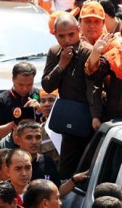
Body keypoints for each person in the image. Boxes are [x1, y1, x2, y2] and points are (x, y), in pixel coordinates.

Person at [41, 13, 97, 179]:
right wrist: (61, 65)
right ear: (55, 35)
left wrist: (95, 117)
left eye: (71, 34)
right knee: (66, 170)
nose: (67, 40)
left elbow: (93, 87)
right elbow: (47, 85)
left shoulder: (88, 52)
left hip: (88, 118)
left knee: (89, 167)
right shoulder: (55, 52)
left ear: (79, 30)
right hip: (68, 120)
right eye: (61, 36)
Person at [0, 62, 40, 138]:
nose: (25, 88)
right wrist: (17, 122)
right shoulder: (0, 100)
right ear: (13, 79)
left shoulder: (40, 95)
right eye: (21, 85)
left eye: (29, 84)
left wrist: (41, 110)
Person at [14, 121, 60, 188]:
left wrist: (74, 180)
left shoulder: (47, 161)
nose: (34, 142)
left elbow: (57, 190)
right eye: (29, 138)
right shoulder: (10, 162)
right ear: (18, 140)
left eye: (38, 137)